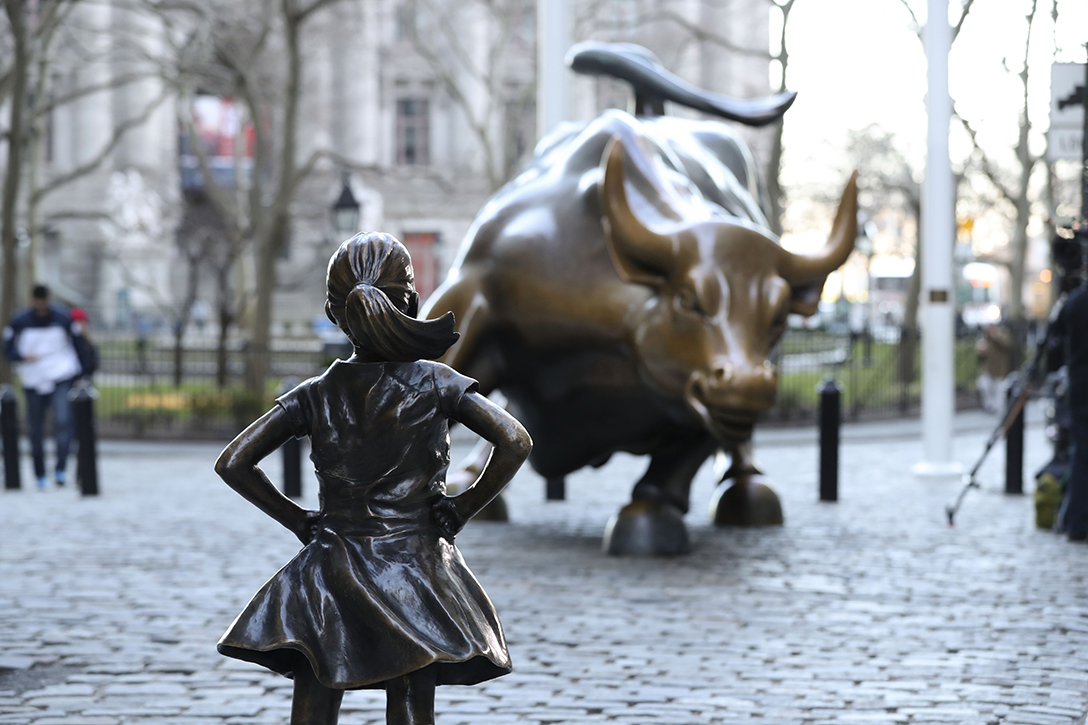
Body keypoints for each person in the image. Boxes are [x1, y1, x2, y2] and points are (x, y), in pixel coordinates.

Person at [214, 232, 532, 725]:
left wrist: (299, 522)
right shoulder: (436, 382)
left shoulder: (313, 394)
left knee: (316, 694)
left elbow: (234, 462)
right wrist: (466, 505)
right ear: (410, 299)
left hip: (329, 565)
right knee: (409, 692)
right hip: (415, 568)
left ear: (332, 312)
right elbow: (515, 440)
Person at [3, 284, 86, 490]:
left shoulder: (63, 318)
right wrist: (22, 357)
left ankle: (60, 469)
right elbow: (8, 349)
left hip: (60, 376)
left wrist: (81, 374)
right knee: (36, 428)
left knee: (63, 421)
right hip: (33, 379)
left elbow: (78, 345)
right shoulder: (20, 320)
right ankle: (40, 473)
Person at [1053, 269, 1088, 542]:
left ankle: (1076, 521)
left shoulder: (1075, 301)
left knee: (1082, 452)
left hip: (1080, 385)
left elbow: (1053, 341)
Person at [976, 322, 1013, 415]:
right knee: (984, 385)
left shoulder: (1002, 336)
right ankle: (989, 406)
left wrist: (996, 335)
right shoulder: (986, 341)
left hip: (1000, 370)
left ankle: (998, 409)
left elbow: (1007, 344)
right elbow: (981, 352)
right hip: (988, 370)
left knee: (999, 391)